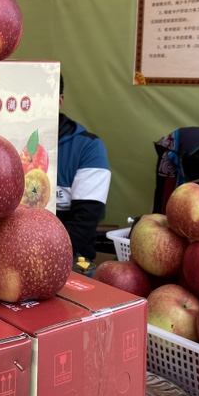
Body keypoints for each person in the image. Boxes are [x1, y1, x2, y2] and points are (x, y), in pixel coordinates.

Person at [56, 73, 111, 263]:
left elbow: (83, 224)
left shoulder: (89, 147)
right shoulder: (7, 142)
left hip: (68, 254)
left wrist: (38, 257)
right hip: (8, 249)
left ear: (59, 102)